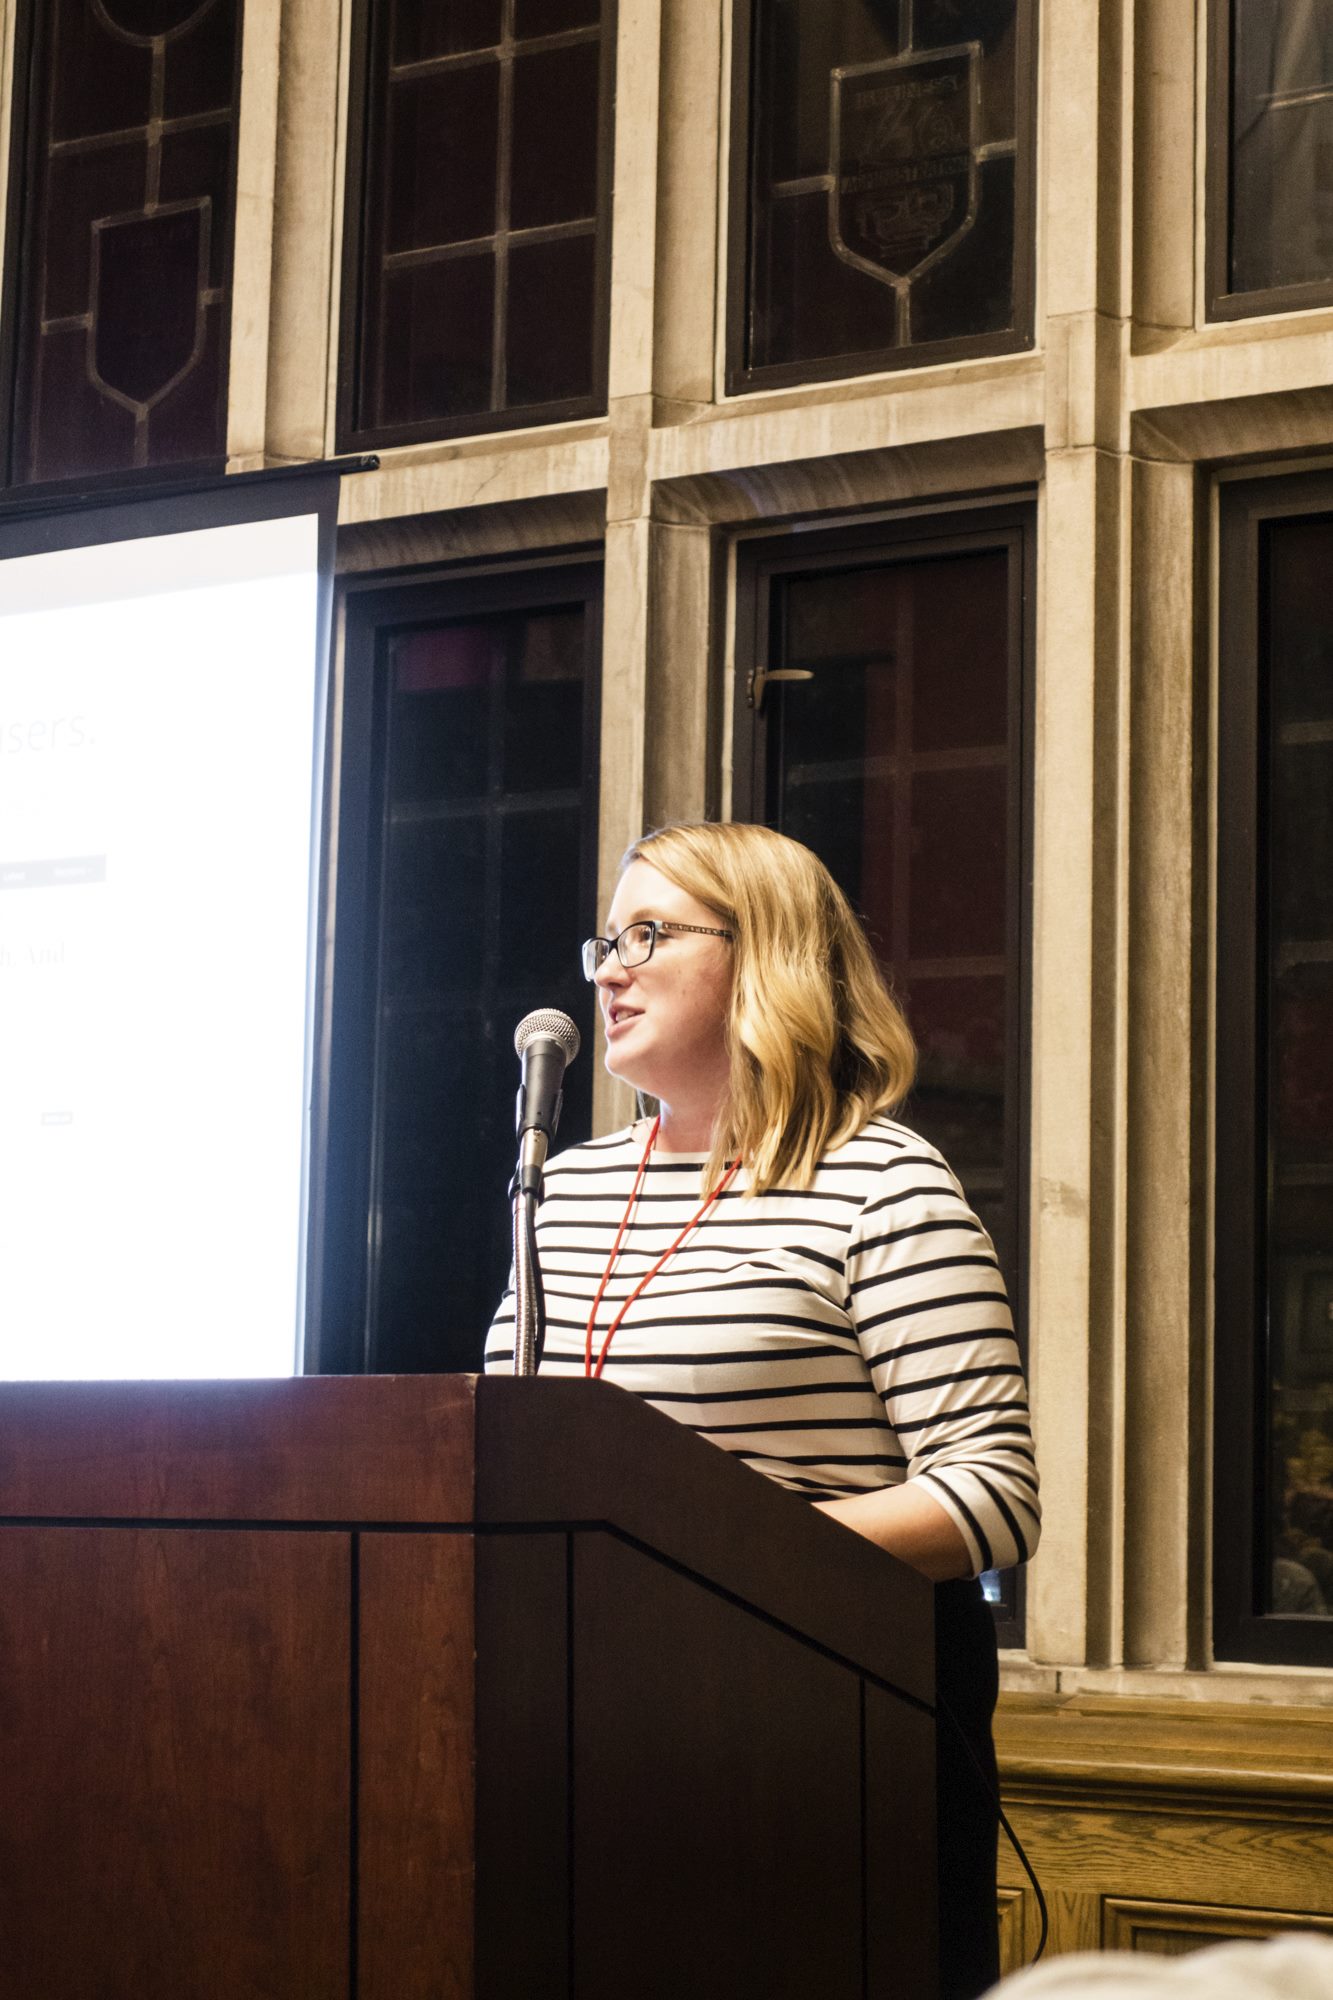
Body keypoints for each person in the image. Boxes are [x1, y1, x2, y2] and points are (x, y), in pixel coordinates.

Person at [485, 821, 1041, 2000]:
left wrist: (711, 1565)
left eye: (648, 934)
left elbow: (990, 1494)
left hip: (803, 1744)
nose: (609, 969)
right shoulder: (561, 1187)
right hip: (578, 1734)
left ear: (766, 952)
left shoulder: (881, 1181)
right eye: (604, 940)